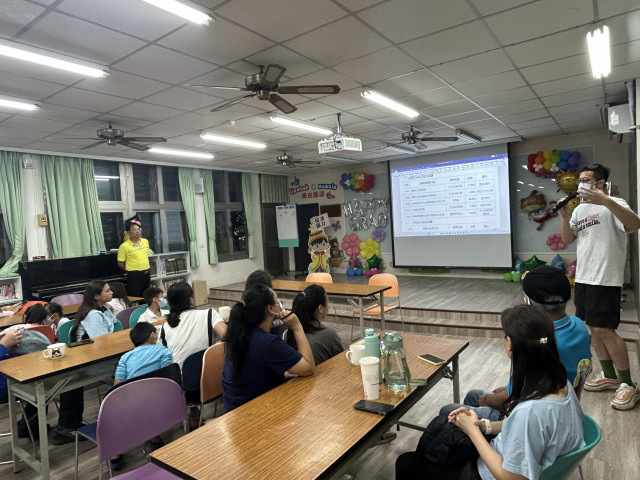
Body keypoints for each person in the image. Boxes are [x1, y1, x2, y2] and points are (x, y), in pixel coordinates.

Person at [396, 305, 585, 480]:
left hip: (487, 473)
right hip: (510, 455)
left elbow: (512, 477)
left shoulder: (530, 412)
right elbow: (524, 429)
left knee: (406, 463)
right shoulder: (561, 383)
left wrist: (473, 432)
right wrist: (483, 426)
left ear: (509, 344)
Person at [439, 265, 592, 422]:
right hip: (565, 407)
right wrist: (509, 388)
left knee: (450, 410)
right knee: (473, 395)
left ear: (529, 303)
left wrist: (486, 400)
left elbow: (509, 399)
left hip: (534, 416)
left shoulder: (537, 342)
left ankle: (480, 435)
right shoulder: (579, 325)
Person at [559, 163, 640, 410]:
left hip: (605, 277)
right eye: (580, 180)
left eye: (585, 179)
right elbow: (567, 239)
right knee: (593, 329)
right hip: (584, 277)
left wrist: (606, 200)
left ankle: (629, 384)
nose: (580, 183)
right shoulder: (579, 209)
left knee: (605, 330)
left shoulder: (616, 204)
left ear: (600, 183)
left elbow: (635, 224)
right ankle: (610, 375)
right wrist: (564, 216)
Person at [222, 284, 315, 412]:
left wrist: (282, 373)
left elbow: (253, 371)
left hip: (234, 410)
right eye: (277, 301)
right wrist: (297, 327)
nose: (280, 305)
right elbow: (308, 367)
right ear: (270, 309)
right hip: (254, 413)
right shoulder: (268, 342)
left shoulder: (238, 334)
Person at [53, 281, 118, 445]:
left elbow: (114, 325)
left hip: (96, 355)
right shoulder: (93, 315)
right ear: (96, 296)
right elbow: (103, 342)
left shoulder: (103, 308)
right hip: (91, 360)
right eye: (107, 291)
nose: (112, 292)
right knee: (130, 366)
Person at [159, 281, 226, 369]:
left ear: (169, 303)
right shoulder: (209, 314)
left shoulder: (165, 328)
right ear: (191, 299)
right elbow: (230, 338)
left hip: (179, 376)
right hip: (206, 373)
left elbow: (163, 359)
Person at [288, 284, 343, 365]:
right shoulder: (329, 335)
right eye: (327, 302)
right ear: (320, 308)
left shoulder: (289, 332)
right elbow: (342, 362)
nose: (328, 306)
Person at [117, 218, 152, 297]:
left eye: (138, 229)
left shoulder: (145, 241)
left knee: (147, 295)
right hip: (134, 274)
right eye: (134, 230)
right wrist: (128, 270)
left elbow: (146, 256)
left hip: (146, 272)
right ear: (128, 232)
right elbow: (120, 263)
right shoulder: (124, 246)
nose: (137, 231)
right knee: (135, 296)